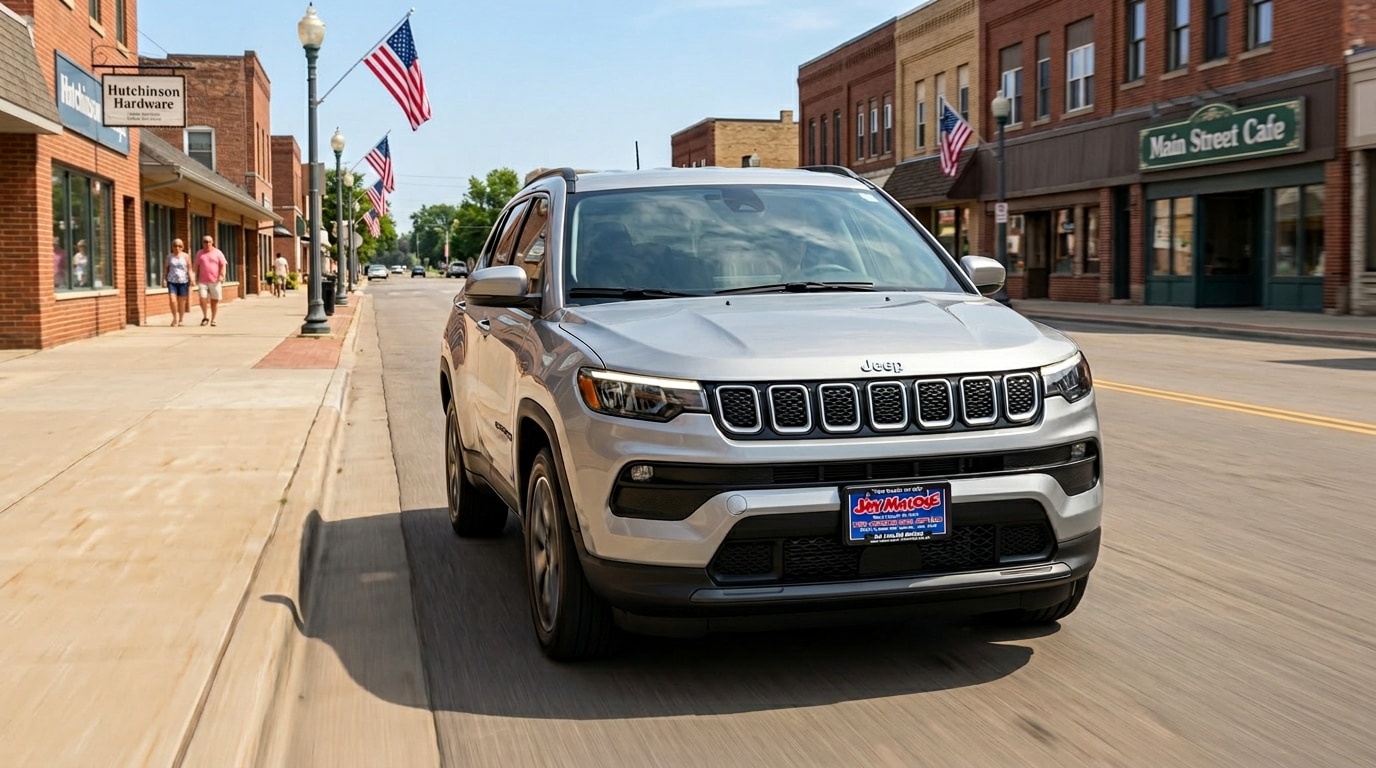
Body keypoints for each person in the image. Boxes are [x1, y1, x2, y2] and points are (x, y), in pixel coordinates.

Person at [193, 235, 228, 326]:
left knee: (214, 301)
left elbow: (223, 264)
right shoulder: (200, 253)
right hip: (202, 281)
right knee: (202, 298)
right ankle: (205, 317)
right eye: (205, 242)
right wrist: (193, 277)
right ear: (202, 243)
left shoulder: (218, 253)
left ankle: (213, 319)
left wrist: (222, 276)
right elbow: (196, 266)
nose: (207, 243)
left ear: (212, 242)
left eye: (209, 242)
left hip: (215, 281)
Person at [165, 239, 192, 326]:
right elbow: (165, 269)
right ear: (172, 247)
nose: (177, 248)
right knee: (172, 300)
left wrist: (192, 279)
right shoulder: (169, 257)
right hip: (172, 281)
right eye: (175, 246)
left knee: (182, 302)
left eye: (180, 246)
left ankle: (181, 319)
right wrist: (164, 279)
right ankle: (175, 318)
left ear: (182, 247)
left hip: (183, 281)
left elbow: (189, 269)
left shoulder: (186, 256)